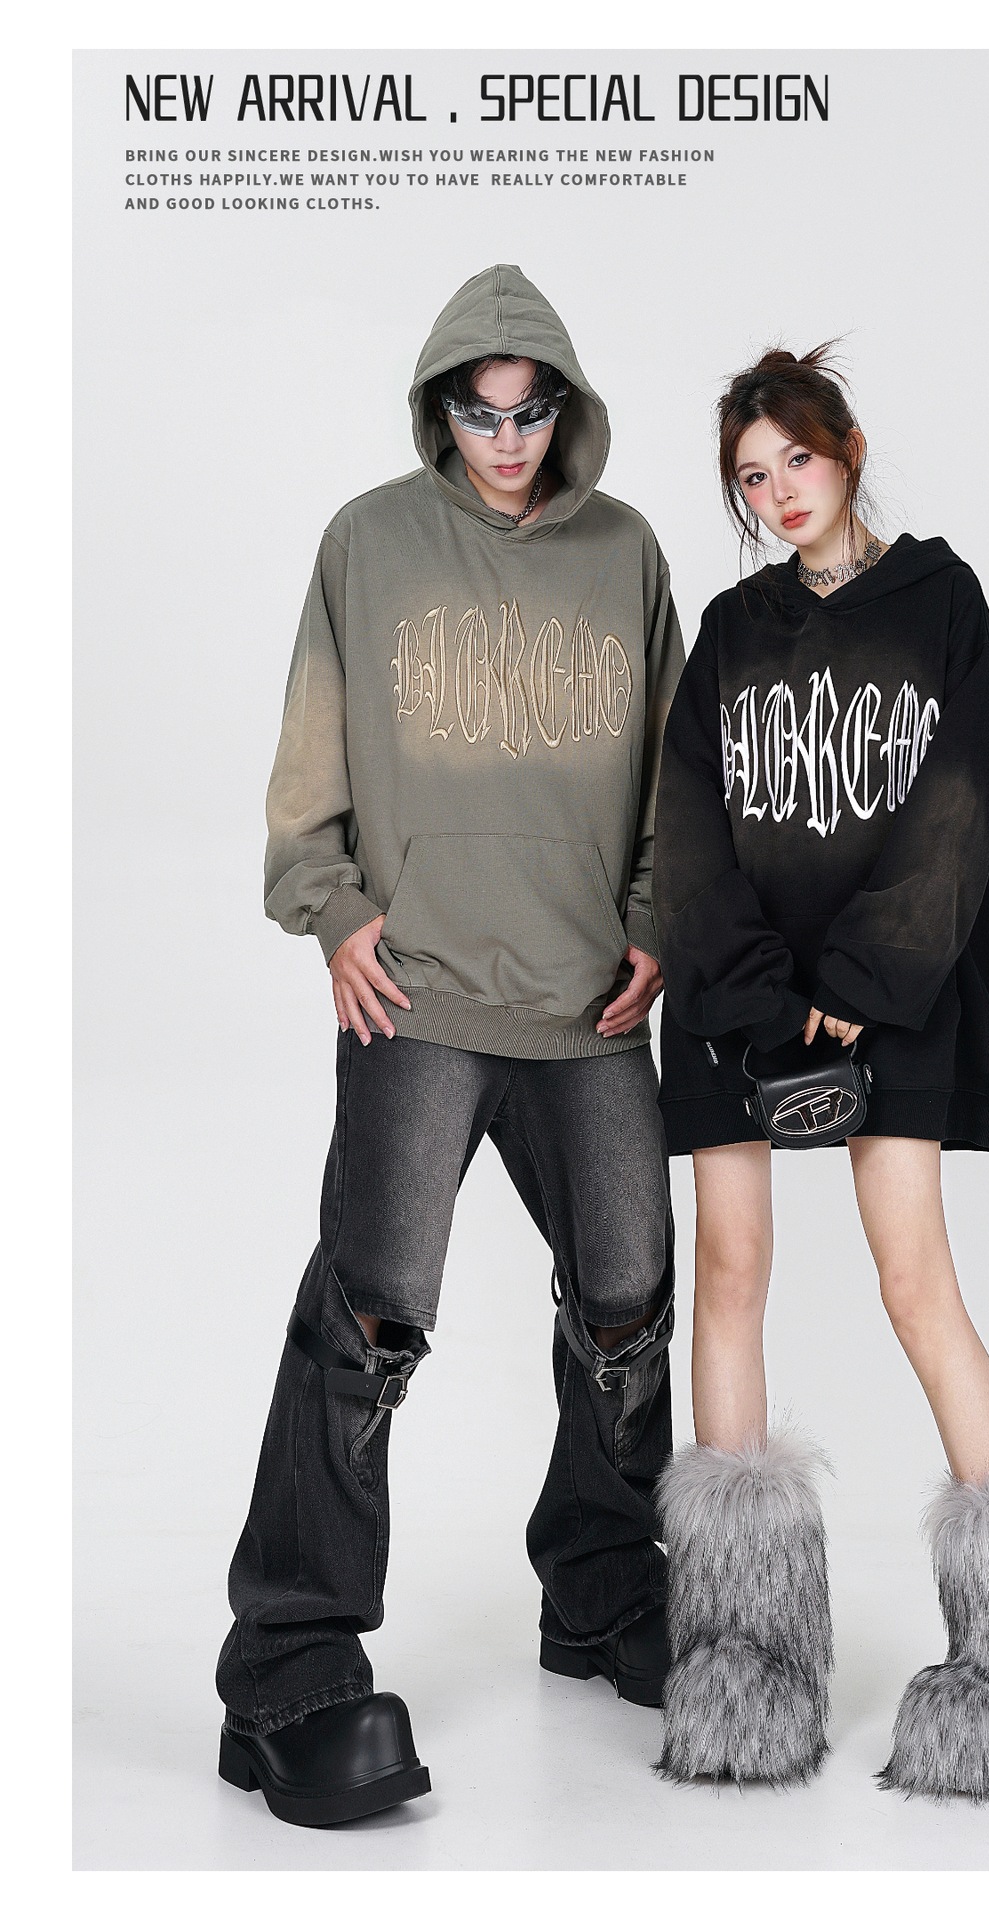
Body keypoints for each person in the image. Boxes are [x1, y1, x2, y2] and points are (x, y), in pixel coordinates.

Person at [215, 264, 686, 1827]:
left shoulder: (625, 552)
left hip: (585, 1005)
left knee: (626, 1307)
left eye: (530, 410)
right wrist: (333, 907)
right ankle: (287, 1661)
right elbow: (308, 766)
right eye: (478, 414)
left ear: (565, 407)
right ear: (440, 411)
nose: (506, 439)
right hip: (414, 992)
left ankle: (602, 1592)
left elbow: (672, 777)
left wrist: (656, 918)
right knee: (369, 1322)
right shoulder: (368, 542)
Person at [650, 345, 989, 1798]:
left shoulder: (939, 600)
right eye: (751, 477)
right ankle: (743, 1660)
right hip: (735, 1002)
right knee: (727, 1270)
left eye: (795, 459)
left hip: (887, 998)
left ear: (846, 448)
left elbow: (962, 802)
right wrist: (749, 995)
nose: (778, 493)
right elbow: (687, 818)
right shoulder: (730, 629)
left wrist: (860, 987)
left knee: (914, 1280)